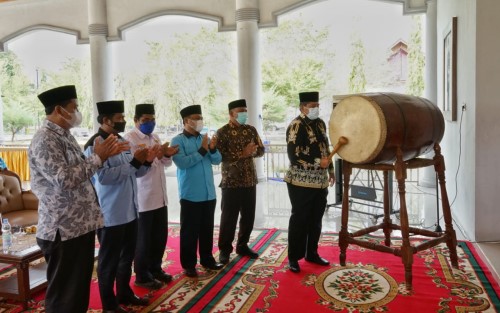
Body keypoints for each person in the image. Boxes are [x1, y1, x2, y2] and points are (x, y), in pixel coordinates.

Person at [28, 85, 123, 313]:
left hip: (79, 225)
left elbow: (80, 173)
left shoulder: (65, 136)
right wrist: (98, 158)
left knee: (77, 292)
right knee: (64, 296)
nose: (78, 112)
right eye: (75, 107)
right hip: (62, 228)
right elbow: (64, 179)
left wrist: (98, 158)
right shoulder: (45, 140)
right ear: (60, 110)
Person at [84, 100, 159, 313]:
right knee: (109, 261)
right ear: (105, 120)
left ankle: (124, 293)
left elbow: (135, 173)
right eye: (119, 118)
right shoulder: (95, 144)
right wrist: (134, 163)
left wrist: (145, 162)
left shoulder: (120, 140)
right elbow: (104, 178)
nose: (124, 121)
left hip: (130, 210)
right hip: (111, 213)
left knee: (127, 257)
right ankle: (109, 304)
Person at [123, 103, 179, 290]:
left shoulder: (154, 137)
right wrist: (148, 158)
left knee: (159, 237)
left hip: (160, 196)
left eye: (152, 119)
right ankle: (142, 275)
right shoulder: (129, 139)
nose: (150, 123)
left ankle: (156, 269)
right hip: (143, 197)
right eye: (145, 120)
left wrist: (167, 154)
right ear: (136, 121)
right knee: (143, 240)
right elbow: (134, 167)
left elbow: (165, 163)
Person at [284, 91, 335, 273]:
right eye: (311, 106)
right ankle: (293, 257)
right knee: (300, 219)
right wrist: (316, 162)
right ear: (302, 107)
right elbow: (294, 155)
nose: (315, 108)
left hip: (320, 182)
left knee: (316, 220)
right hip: (300, 182)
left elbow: (325, 149)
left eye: (317, 105)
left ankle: (311, 253)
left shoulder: (320, 124)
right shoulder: (296, 126)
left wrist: (330, 170)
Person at [171, 104, 224, 277]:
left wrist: (213, 148)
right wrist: (202, 150)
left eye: (200, 117)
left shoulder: (205, 138)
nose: (199, 121)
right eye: (196, 118)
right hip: (191, 194)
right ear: (186, 121)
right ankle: (189, 264)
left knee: (207, 229)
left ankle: (207, 259)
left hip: (208, 193)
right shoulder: (178, 140)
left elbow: (216, 160)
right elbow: (182, 163)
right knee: (190, 231)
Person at [216, 99, 265, 264]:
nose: (244, 114)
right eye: (241, 111)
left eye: (245, 110)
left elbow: (261, 150)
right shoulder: (222, 132)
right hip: (231, 182)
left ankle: (242, 245)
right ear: (231, 114)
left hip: (249, 180)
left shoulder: (251, 130)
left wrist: (254, 150)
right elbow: (219, 157)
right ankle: (224, 250)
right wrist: (242, 153)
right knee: (229, 218)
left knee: (248, 217)